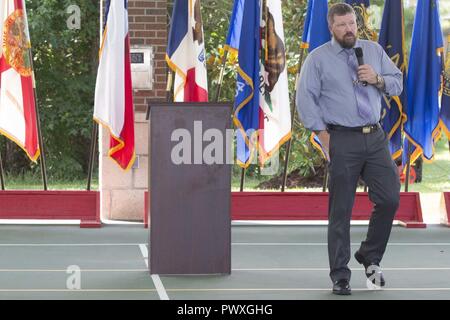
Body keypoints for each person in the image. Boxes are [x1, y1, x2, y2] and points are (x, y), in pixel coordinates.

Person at [296, 3, 403, 296]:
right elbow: (305, 100)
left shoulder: (373, 51)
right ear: (332, 27)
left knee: (390, 198)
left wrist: (378, 79)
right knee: (341, 211)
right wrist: (323, 136)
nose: (349, 29)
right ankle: (340, 275)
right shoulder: (318, 59)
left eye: (352, 23)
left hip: (375, 137)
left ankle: (370, 255)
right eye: (342, 25)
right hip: (341, 139)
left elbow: (398, 83)